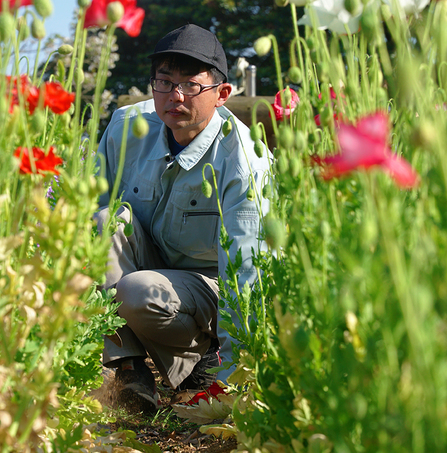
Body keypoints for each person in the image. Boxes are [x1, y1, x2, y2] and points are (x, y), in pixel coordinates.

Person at [95, 23, 271, 413]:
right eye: (163, 81)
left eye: (191, 85)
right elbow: (83, 223)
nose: (174, 96)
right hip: (152, 265)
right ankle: (129, 372)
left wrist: (233, 379)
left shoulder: (242, 158)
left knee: (136, 291)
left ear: (222, 94)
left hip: (210, 288)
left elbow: (246, 271)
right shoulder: (127, 127)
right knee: (102, 220)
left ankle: (201, 360)